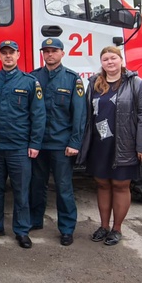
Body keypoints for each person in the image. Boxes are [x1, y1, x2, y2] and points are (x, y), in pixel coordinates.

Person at [78, 46, 142, 246]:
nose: (110, 62)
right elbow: (86, 114)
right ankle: (103, 226)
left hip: (125, 144)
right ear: (101, 63)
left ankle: (116, 229)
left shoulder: (135, 83)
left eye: (113, 58)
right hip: (100, 145)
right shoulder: (94, 83)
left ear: (121, 60)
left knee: (120, 185)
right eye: (105, 59)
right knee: (102, 184)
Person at [0, 40, 46, 249]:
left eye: (12, 53)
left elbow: (38, 115)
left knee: (21, 191)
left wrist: (35, 143)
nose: (8, 56)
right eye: (4, 53)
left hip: (19, 147)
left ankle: (22, 230)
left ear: (18, 55)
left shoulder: (29, 82)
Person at [29, 37, 86, 245]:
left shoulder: (72, 79)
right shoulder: (34, 77)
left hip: (62, 144)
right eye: (46, 51)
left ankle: (67, 228)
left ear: (63, 53)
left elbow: (79, 114)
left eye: (54, 51)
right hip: (39, 144)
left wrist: (75, 142)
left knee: (63, 188)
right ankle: (35, 220)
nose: (49, 54)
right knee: (36, 185)